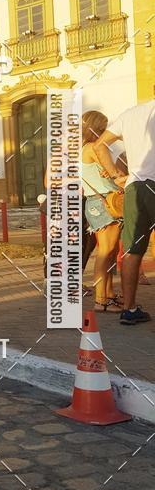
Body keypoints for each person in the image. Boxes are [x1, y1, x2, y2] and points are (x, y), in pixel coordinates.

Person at [94, 99, 155, 324]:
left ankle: (128, 309)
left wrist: (115, 175)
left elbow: (100, 145)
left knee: (132, 248)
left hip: (134, 187)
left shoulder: (131, 114)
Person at [80, 111, 122, 312]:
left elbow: (104, 171)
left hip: (97, 201)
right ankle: (100, 299)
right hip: (104, 201)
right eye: (103, 128)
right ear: (96, 129)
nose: (106, 131)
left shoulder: (82, 149)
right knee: (106, 252)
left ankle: (108, 294)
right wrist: (116, 172)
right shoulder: (92, 148)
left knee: (110, 252)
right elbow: (114, 173)